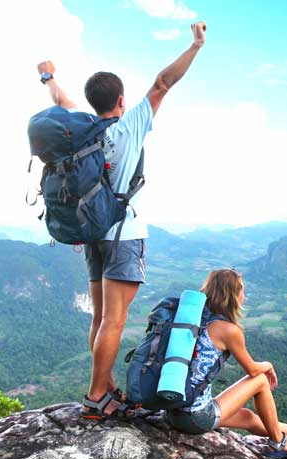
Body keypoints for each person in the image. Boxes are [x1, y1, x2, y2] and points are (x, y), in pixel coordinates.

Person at [37, 22, 208, 420]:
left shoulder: (84, 131)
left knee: (100, 318)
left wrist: (48, 77)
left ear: (92, 101)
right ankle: (97, 396)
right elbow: (164, 82)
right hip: (123, 235)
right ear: (120, 99)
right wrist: (196, 45)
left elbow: (61, 101)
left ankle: (106, 383)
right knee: (114, 319)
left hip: (93, 233)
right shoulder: (128, 125)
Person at [165, 269, 287, 459]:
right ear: (232, 295)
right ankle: (280, 443)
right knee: (261, 380)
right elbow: (253, 370)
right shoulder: (228, 330)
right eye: (242, 290)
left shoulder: (192, 320)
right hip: (195, 417)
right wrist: (268, 365)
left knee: (248, 417)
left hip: (173, 411)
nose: (244, 295)